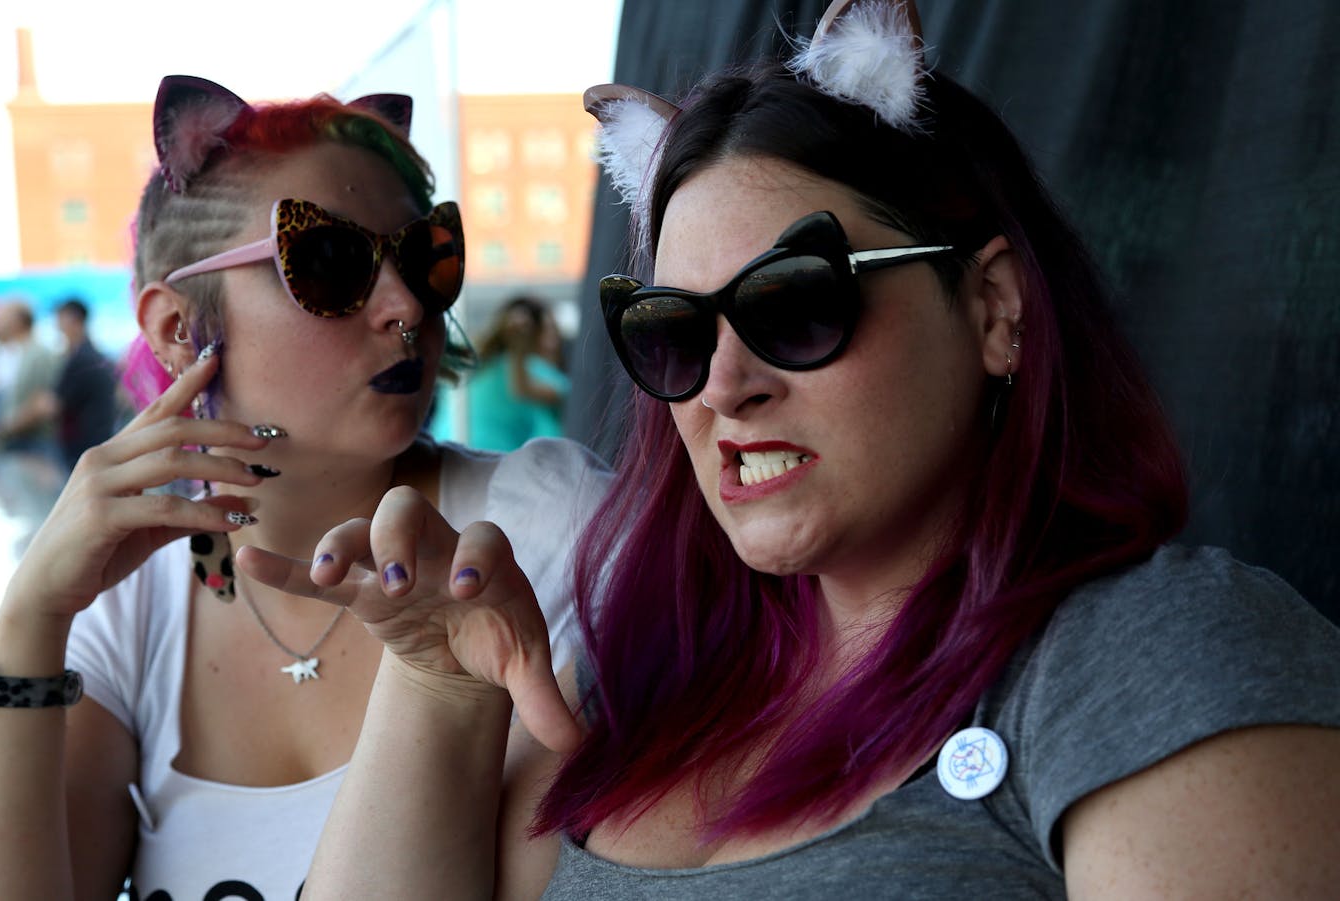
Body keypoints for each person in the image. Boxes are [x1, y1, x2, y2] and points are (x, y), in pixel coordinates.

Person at [282, 2, 1340, 898]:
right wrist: (435, 687)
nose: (724, 384)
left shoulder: (1150, 652)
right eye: (673, 332)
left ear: (993, 309)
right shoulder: (629, 691)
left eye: (795, 303)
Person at [0, 74, 611, 900]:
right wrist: (29, 619)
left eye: (425, 256)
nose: (404, 307)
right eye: (329, 261)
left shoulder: (542, 527)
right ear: (178, 328)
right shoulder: (133, 593)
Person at [463, 294, 571, 451]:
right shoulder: (535, 370)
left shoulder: (475, 365)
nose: (554, 341)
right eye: (549, 329)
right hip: (495, 462)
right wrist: (519, 350)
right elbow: (521, 391)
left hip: (451, 451)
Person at [51, 296, 121, 471]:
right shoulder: (95, 356)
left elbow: (54, 405)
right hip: (97, 441)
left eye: (60, 318)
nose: (57, 325)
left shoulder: (81, 359)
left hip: (82, 446)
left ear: (73, 319)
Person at [0, 298, 60, 456]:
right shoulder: (12, 354)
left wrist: (7, 427)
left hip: (33, 446)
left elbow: (44, 401)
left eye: (2, 316)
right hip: (17, 443)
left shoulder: (39, 354)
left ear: (17, 321)